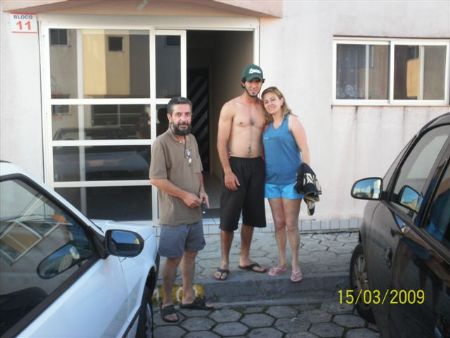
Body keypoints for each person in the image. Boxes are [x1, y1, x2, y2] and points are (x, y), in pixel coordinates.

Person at [149, 97, 212, 323]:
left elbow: (197, 170)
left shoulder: (192, 139)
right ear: (169, 117)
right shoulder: (161, 143)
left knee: (191, 255)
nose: (184, 119)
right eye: (179, 115)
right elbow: (156, 179)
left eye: (187, 114)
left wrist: (202, 190)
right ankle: (166, 303)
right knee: (173, 258)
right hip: (174, 215)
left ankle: (187, 297)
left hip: (194, 212)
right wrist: (185, 195)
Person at [214, 64, 267, 281]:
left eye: (258, 81)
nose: (255, 85)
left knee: (251, 216)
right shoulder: (231, 107)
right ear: (243, 82)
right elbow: (221, 141)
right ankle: (224, 262)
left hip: (257, 165)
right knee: (228, 217)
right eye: (251, 81)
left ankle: (244, 258)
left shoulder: (265, 107)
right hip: (235, 165)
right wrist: (226, 171)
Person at [261, 86, 311, 282]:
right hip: (272, 183)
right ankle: (282, 263)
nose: (270, 104)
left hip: (291, 182)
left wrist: (306, 177)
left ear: (281, 100)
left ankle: (295, 264)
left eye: (273, 99)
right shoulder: (265, 127)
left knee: (291, 225)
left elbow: (305, 149)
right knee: (279, 224)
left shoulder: (292, 121)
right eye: (266, 101)